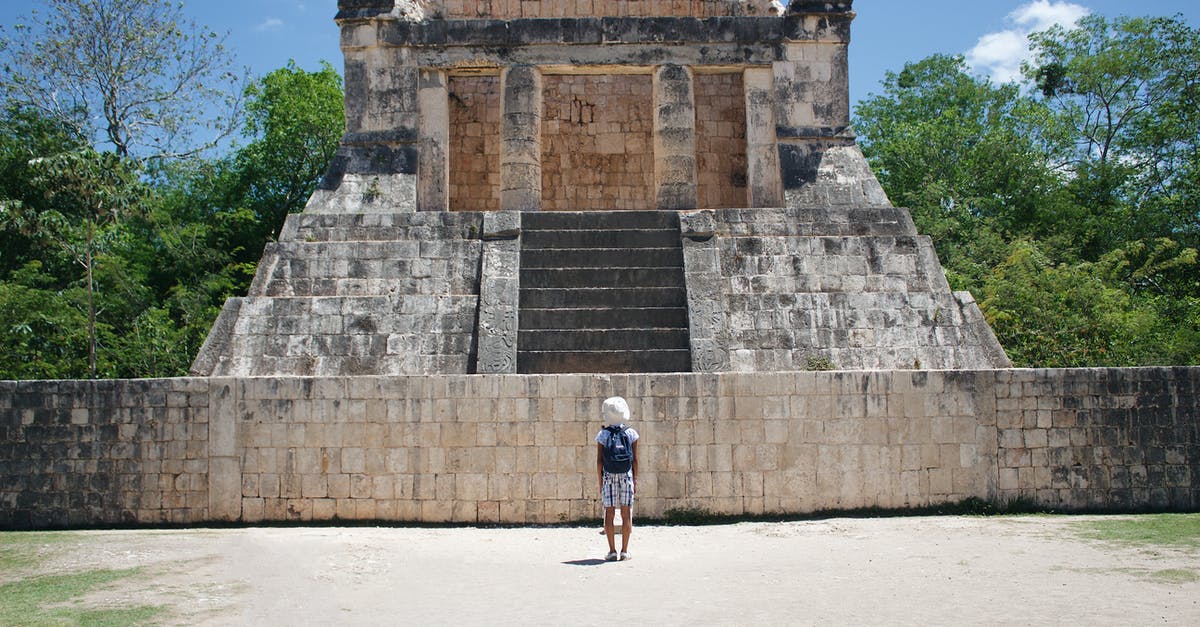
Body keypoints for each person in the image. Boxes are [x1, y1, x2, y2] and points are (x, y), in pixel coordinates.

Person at [595, 396, 639, 562]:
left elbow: (599, 461)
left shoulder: (603, 435)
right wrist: (635, 479)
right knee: (626, 513)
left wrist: (600, 481)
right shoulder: (631, 433)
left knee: (610, 512)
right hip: (626, 475)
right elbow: (635, 460)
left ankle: (612, 551)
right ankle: (625, 551)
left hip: (608, 476)